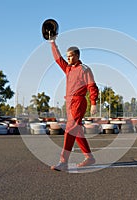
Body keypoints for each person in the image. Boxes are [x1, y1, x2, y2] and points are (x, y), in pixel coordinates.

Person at [49, 38, 99, 171]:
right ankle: (89, 158)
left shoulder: (84, 69)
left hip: (79, 101)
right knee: (77, 131)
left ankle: (63, 162)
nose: (69, 59)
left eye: (71, 56)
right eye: (68, 57)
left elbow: (92, 86)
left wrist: (93, 103)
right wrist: (52, 42)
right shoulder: (68, 69)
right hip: (69, 102)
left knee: (70, 129)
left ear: (77, 56)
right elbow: (57, 58)